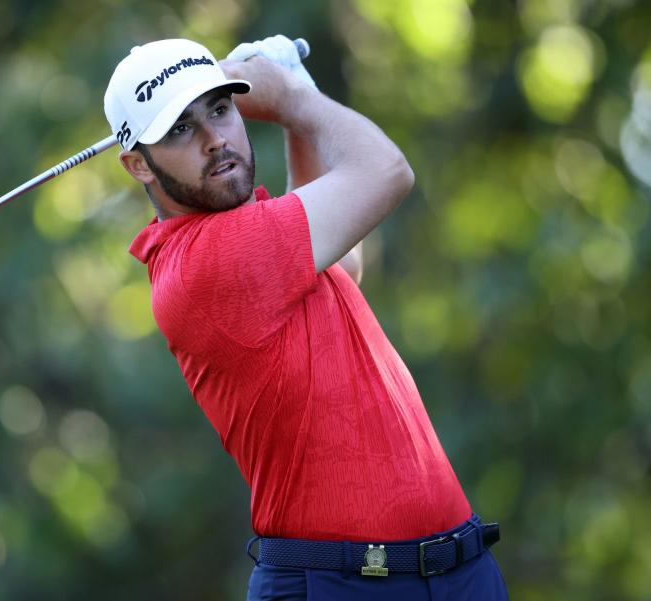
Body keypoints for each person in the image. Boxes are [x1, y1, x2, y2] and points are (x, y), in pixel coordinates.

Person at [103, 35, 509, 600]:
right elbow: (387, 170)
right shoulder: (205, 263)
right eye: (180, 129)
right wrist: (293, 99)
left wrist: (298, 104)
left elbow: (345, 264)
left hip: (457, 571)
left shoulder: (257, 244)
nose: (215, 139)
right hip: (341, 584)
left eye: (221, 109)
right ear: (137, 165)